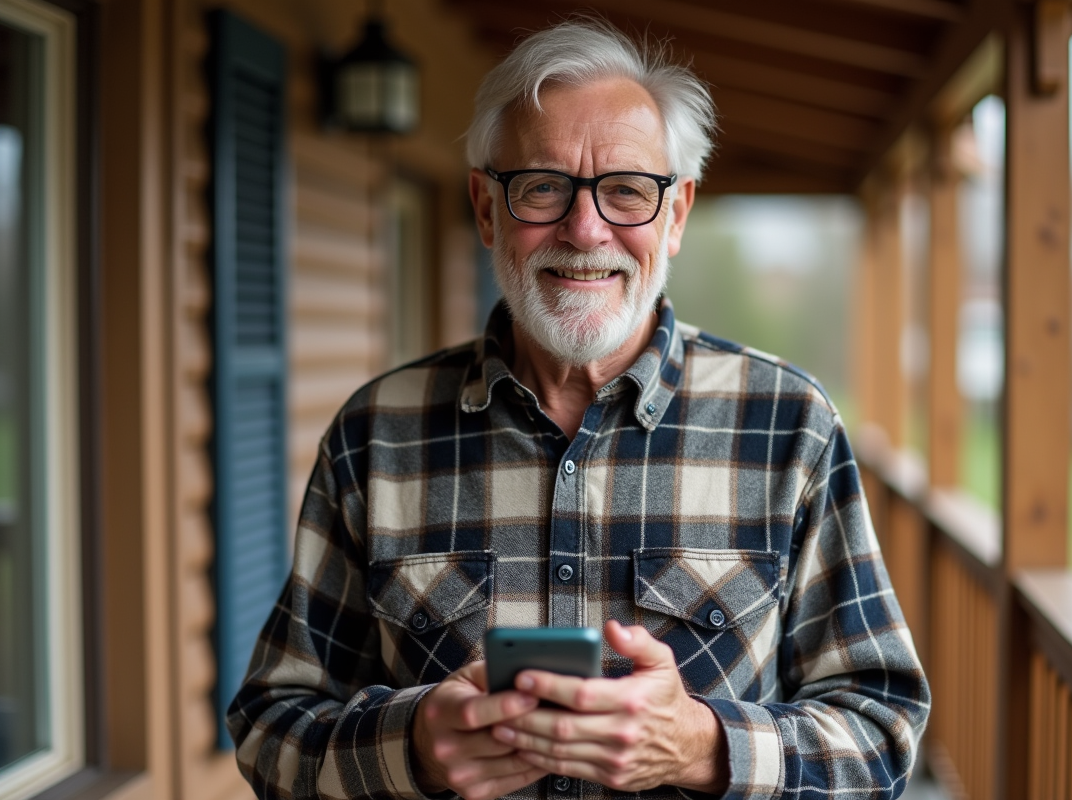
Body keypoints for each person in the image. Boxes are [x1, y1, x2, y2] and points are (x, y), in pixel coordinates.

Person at [227, 18, 930, 800]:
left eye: (627, 190)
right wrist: (413, 745)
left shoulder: (789, 425)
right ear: (488, 209)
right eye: (543, 187)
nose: (586, 228)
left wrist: (701, 746)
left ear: (677, 215)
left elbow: (883, 732)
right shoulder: (374, 434)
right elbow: (270, 728)